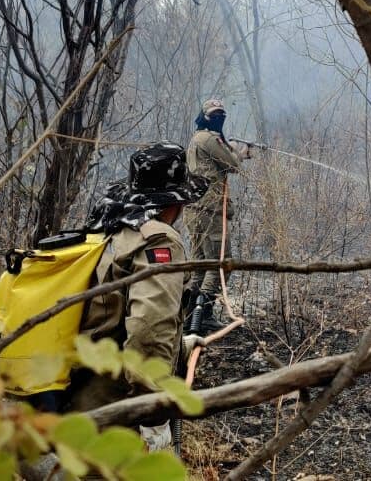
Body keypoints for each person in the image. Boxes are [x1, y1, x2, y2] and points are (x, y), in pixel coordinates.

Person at [65, 141, 208, 414]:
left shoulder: (111, 226)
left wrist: (182, 348)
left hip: (75, 388)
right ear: (176, 202)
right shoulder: (157, 241)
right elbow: (148, 327)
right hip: (110, 402)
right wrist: (152, 402)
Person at [185, 99, 251, 333]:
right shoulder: (209, 139)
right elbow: (233, 165)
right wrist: (240, 151)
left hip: (194, 210)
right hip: (210, 210)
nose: (219, 117)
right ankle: (202, 317)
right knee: (222, 263)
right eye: (215, 114)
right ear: (205, 116)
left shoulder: (197, 139)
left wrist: (230, 147)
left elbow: (220, 163)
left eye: (222, 113)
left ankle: (191, 317)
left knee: (201, 265)